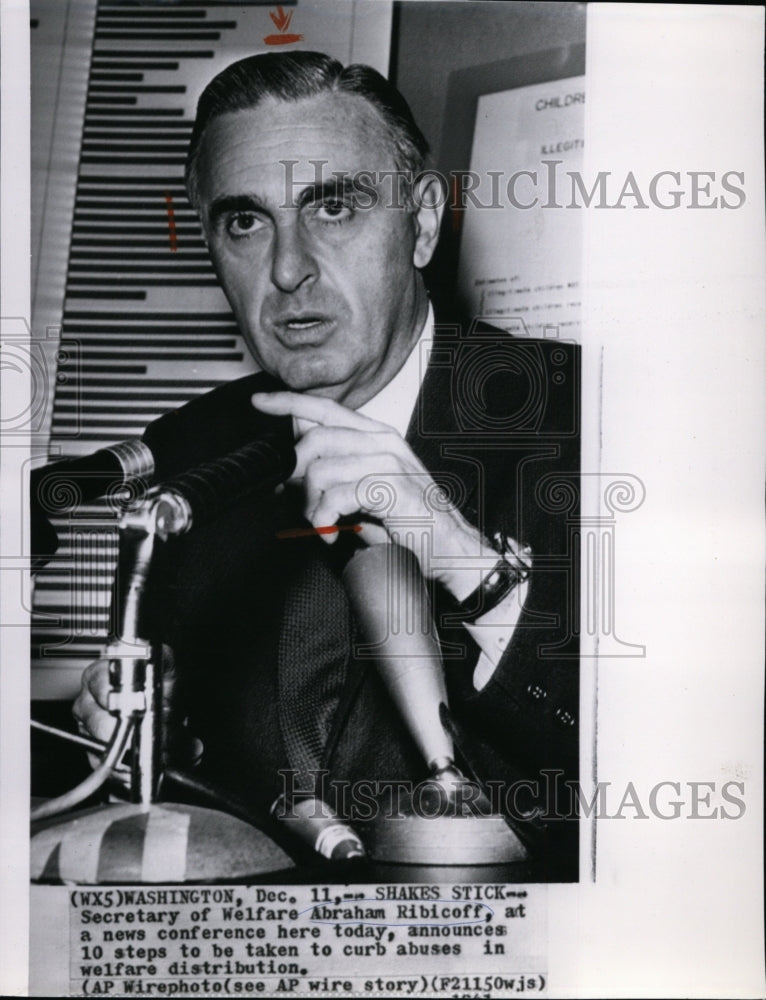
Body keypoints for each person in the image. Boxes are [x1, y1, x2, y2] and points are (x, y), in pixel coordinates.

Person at [73, 51, 579, 876]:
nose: (287, 268)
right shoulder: (195, 453)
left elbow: (683, 777)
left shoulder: (595, 417)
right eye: (245, 222)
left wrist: (470, 570)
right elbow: (211, 777)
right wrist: (153, 729)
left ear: (420, 223)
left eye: (333, 208)